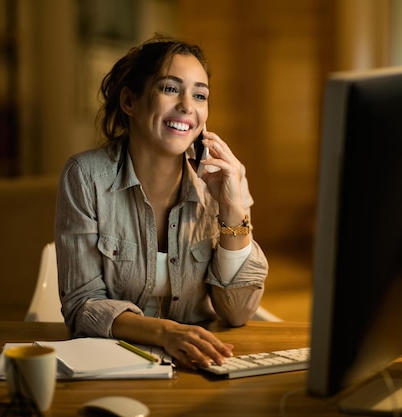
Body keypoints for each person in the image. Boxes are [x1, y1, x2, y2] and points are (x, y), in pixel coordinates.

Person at [54, 35, 269, 370]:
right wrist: (166, 333)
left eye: (200, 95)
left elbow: (238, 312)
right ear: (130, 102)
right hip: (113, 362)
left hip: (202, 360)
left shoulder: (222, 179)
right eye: (170, 89)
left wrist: (232, 210)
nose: (187, 105)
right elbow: (82, 304)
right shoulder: (85, 176)